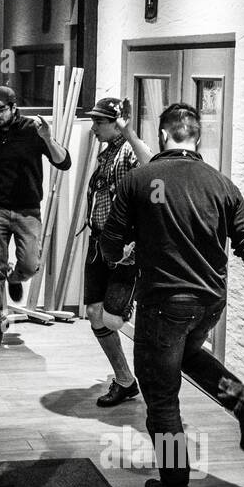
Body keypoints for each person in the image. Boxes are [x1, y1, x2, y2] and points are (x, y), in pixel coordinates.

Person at [100, 102, 244, 487]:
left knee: (162, 399)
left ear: (163, 136)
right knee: (185, 355)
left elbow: (109, 243)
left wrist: (124, 254)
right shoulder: (223, 186)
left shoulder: (139, 179)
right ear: (197, 138)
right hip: (209, 304)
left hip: (164, 306)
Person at [0, 86, 72, 349]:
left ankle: (16, 278)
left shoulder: (32, 130)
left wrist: (47, 138)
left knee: (31, 265)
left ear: (13, 108)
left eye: (1, 110)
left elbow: (64, 162)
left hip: (28, 210)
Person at [81, 96, 155, 406]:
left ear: (116, 123)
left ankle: (153, 368)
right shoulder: (107, 153)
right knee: (94, 314)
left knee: (111, 319)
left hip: (125, 249)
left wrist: (130, 133)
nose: (95, 127)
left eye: (100, 122)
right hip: (100, 244)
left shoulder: (127, 151)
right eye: (95, 121)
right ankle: (125, 381)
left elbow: (153, 168)